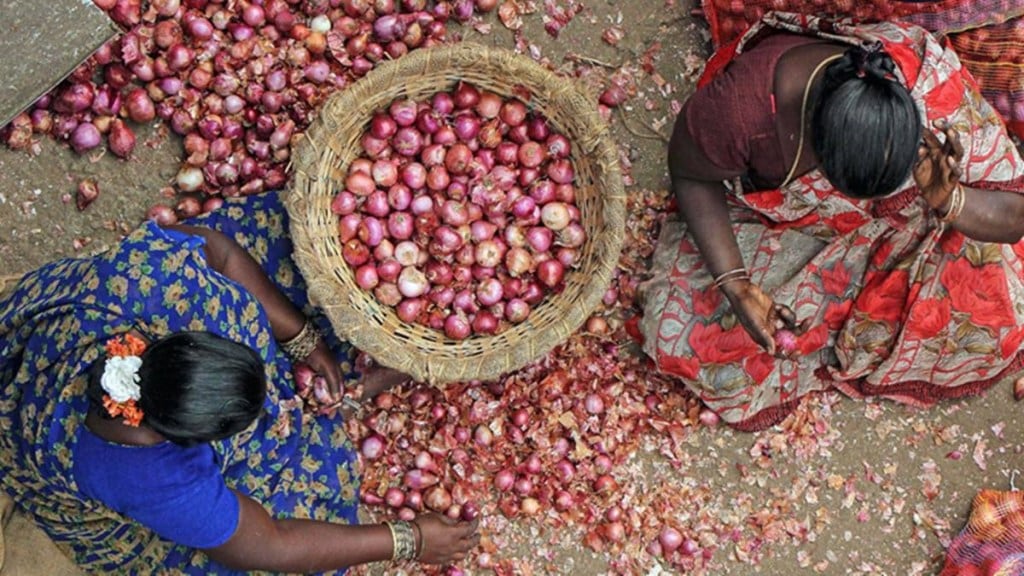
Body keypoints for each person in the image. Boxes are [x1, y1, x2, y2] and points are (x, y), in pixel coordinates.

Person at [0, 190, 480, 574]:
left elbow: (223, 253)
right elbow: (269, 544)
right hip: (56, 434)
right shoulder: (152, 476)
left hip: (80, 329)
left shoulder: (158, 281)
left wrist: (301, 338)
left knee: (291, 254)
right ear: (185, 439)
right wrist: (409, 539)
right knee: (311, 521)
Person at [640, 12, 1024, 431]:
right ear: (817, 150)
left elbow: (1014, 215)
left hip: (901, 225)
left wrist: (949, 200)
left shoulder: (929, 94)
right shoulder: (742, 112)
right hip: (790, 223)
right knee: (681, 340)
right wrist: (736, 285)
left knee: (992, 324)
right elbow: (690, 171)